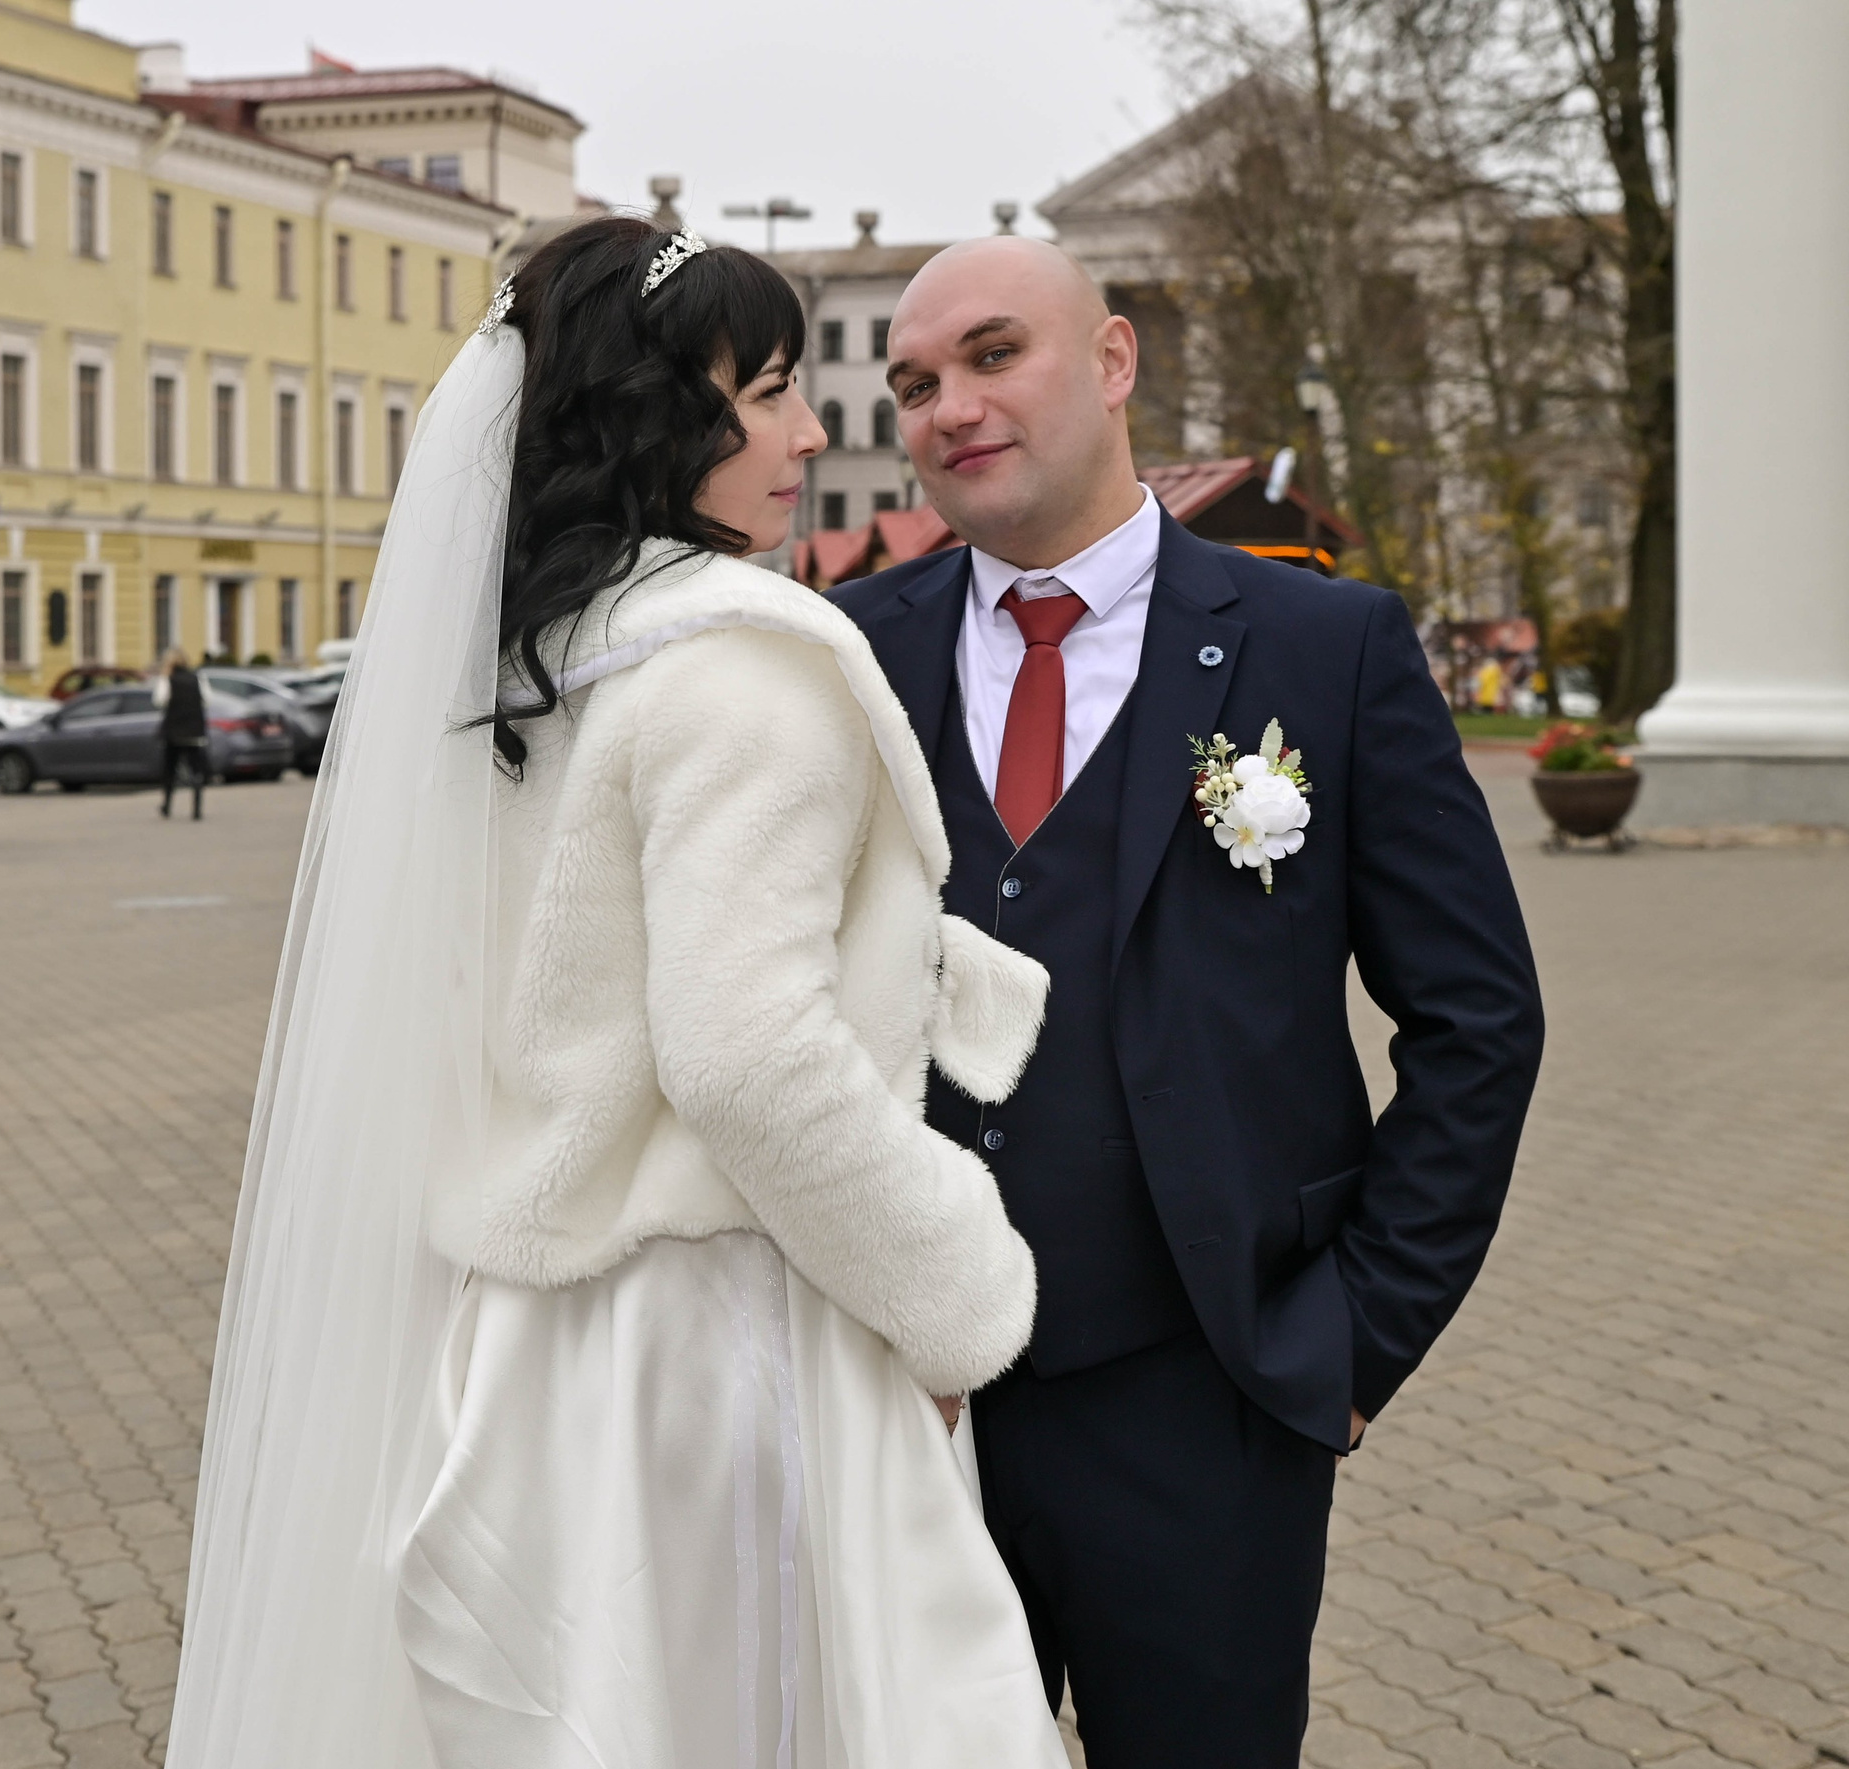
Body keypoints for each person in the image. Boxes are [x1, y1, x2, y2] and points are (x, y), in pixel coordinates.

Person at [169, 217, 1065, 1768]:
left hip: (534, 1340)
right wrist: (951, 1295)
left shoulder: (532, 677)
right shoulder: (746, 674)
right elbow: (750, 1055)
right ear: (657, 413)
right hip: (730, 1335)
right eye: (768, 390)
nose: (813, 429)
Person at [829, 236, 1545, 1765]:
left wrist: (1350, 1348)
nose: (948, 405)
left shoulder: (1323, 646)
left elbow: (1479, 1018)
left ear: (1113, 360)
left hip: (1208, 1403)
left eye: (991, 355)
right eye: (912, 383)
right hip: (896, 1408)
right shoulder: (848, 657)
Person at [156, 646, 207, 821]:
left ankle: (167, 806)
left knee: (170, 769)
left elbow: (159, 700)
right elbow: (207, 700)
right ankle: (197, 810)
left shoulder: (167, 679)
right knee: (196, 771)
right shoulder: (197, 678)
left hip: (173, 732)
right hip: (195, 732)